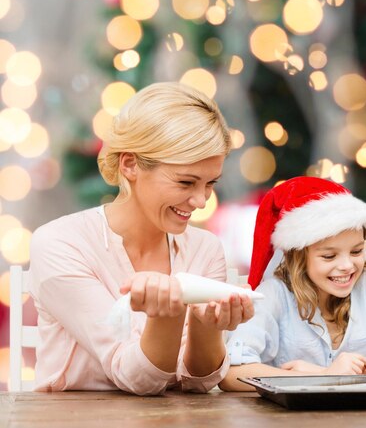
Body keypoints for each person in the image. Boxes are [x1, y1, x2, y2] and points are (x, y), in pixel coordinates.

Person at [29, 82, 254, 395]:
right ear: (130, 164)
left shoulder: (206, 248)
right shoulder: (61, 243)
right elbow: (136, 378)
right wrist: (169, 314)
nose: (201, 201)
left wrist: (208, 326)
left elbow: (199, 382)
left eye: (210, 183)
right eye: (186, 182)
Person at [219, 177, 366, 391]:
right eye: (329, 256)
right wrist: (327, 375)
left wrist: (333, 376)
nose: (347, 265)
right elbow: (233, 374)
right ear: (298, 256)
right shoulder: (274, 294)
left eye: (356, 251)